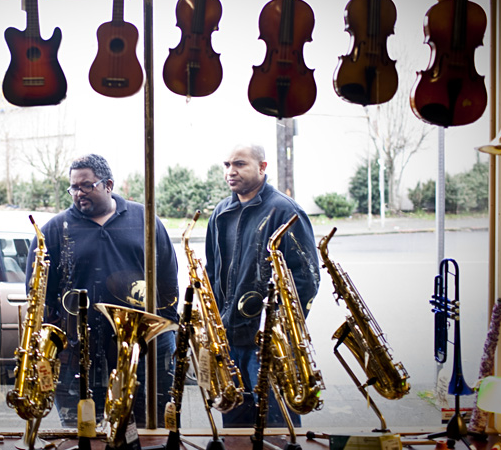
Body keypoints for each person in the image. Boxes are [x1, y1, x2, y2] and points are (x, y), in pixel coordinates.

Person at [23, 153, 179, 430]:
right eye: (73, 187)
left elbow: (167, 279)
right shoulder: (54, 230)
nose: (79, 193)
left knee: (146, 428)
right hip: (78, 350)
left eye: (86, 186)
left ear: (108, 185)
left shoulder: (145, 219)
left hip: (142, 348)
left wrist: (162, 330)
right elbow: (38, 294)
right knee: (83, 431)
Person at [205, 143, 320, 428]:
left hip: (267, 346)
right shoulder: (220, 212)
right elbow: (211, 272)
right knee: (235, 428)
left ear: (262, 167)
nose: (231, 171)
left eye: (240, 164)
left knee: (278, 429)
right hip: (227, 342)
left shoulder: (285, 210)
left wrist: (278, 333)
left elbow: (307, 279)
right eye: (227, 165)